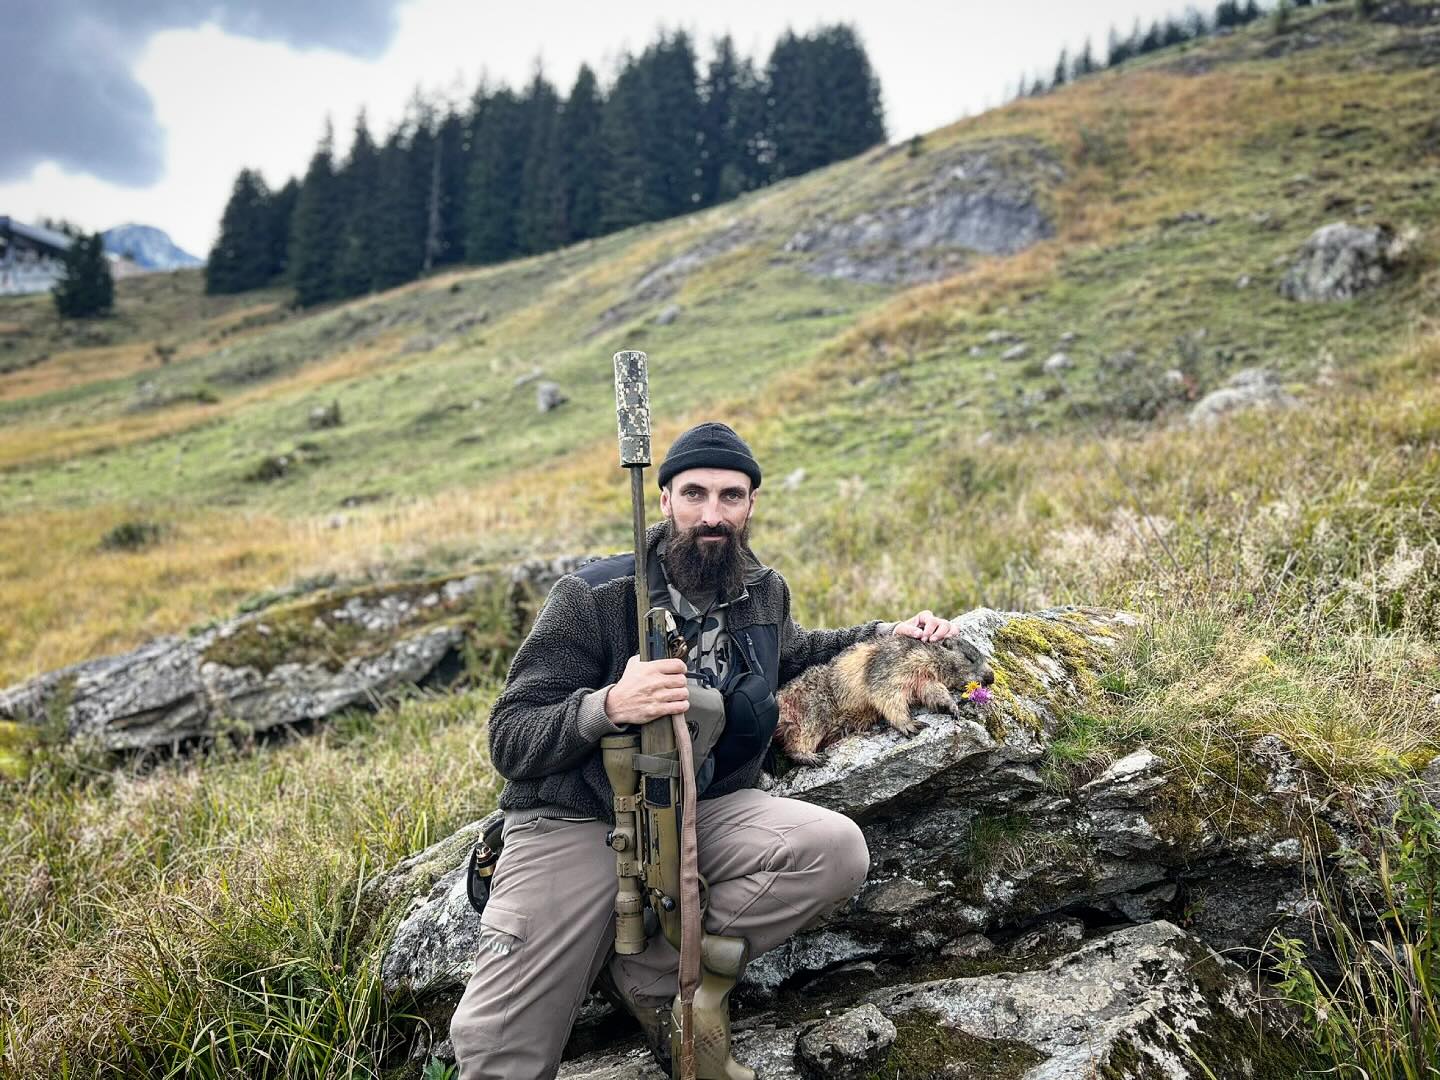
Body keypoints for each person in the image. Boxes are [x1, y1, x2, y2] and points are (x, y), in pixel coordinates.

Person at [449, 422, 964, 1079]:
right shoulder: (591, 597)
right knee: (503, 1053)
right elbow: (510, 734)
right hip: (577, 821)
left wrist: (888, 634)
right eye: (694, 494)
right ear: (664, 500)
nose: (712, 514)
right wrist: (607, 706)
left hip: (708, 806)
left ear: (751, 505)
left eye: (731, 496)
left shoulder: (762, 590)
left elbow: (795, 654)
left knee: (834, 851)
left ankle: (653, 972)